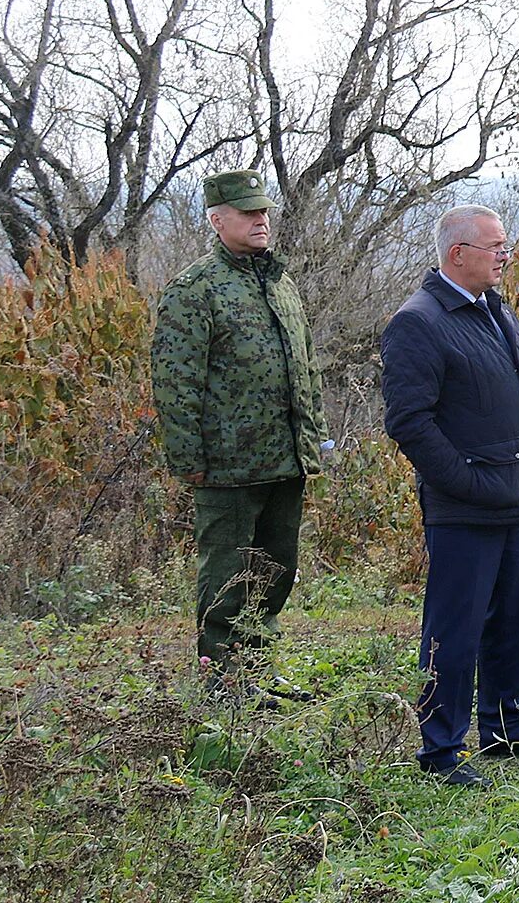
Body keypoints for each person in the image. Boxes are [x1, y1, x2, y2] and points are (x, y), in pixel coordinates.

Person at [382, 205, 519, 788]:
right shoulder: (421, 322)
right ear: (457, 254)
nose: (506, 255)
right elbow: (409, 421)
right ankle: (441, 750)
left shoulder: (497, 312)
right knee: (454, 632)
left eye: (505, 245)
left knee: (513, 621)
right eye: (495, 246)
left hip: (515, 499)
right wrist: (467, 481)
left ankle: (508, 727)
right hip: (464, 508)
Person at [150, 169, 326, 700]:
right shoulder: (194, 289)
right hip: (227, 464)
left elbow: (305, 367)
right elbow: (175, 379)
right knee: (226, 573)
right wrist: (189, 458)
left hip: (285, 459)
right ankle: (222, 679)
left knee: (275, 569)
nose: (260, 221)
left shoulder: (279, 281)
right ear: (216, 219)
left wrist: (311, 443)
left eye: (264, 212)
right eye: (249, 213)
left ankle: (255, 668)